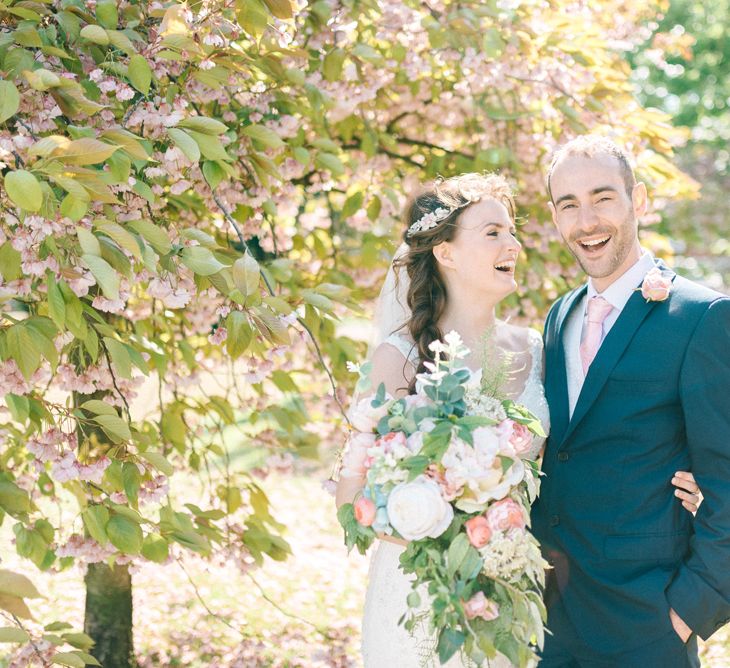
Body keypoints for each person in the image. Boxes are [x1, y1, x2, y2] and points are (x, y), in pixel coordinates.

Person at [335, 171, 700, 667]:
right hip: (420, 593)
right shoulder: (395, 360)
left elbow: (581, 452)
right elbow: (352, 491)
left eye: (512, 231)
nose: (513, 244)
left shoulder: (536, 348)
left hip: (516, 597)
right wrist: (443, 526)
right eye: (493, 233)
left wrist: (680, 481)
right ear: (444, 251)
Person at [532, 135, 730, 667]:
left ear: (638, 201)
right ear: (555, 218)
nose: (587, 221)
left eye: (603, 197)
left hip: (645, 627)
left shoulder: (702, 317)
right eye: (568, 205)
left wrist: (685, 614)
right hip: (548, 624)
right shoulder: (559, 317)